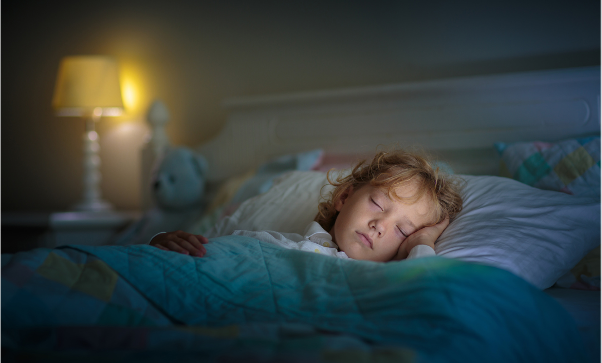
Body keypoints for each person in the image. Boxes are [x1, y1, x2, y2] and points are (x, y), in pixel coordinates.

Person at [149, 150, 464, 262]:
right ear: (343, 198)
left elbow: (425, 289)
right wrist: (159, 244)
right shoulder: (273, 242)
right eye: (377, 204)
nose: (380, 225)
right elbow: (205, 257)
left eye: (402, 230)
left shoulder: (382, 280)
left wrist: (423, 243)